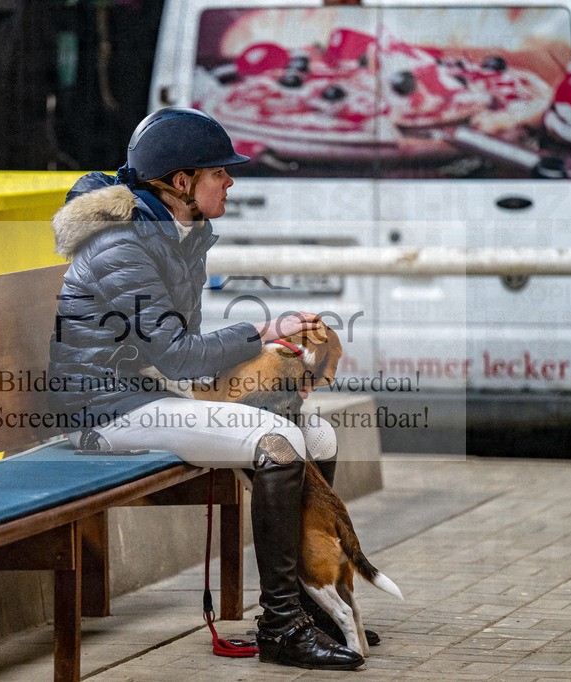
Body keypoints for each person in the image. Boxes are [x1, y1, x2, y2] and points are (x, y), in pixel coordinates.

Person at [47, 107, 363, 670]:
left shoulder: (175, 232)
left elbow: (176, 350)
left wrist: (265, 364)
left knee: (315, 432)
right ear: (180, 182)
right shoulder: (121, 243)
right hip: (102, 410)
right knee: (276, 440)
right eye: (220, 171)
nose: (231, 180)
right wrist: (262, 331)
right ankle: (281, 626)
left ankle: (315, 602)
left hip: (148, 395)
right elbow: (177, 352)